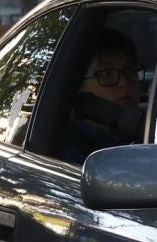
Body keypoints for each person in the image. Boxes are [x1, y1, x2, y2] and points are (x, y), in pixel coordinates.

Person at [60, 32, 147, 162]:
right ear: (79, 86)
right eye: (106, 74)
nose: (124, 82)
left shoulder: (149, 129)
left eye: (130, 70)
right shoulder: (73, 148)